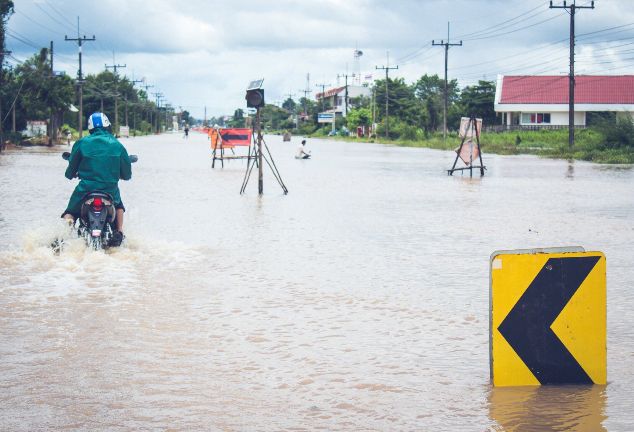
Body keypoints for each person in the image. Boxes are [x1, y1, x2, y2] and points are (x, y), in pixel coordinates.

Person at [62, 112, 132, 246]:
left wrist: (72, 174)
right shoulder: (117, 145)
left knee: (70, 211)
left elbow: (69, 172)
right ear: (107, 126)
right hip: (110, 190)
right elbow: (127, 175)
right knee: (119, 206)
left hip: (85, 189)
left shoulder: (81, 143)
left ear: (90, 128)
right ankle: (119, 231)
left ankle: (63, 238)